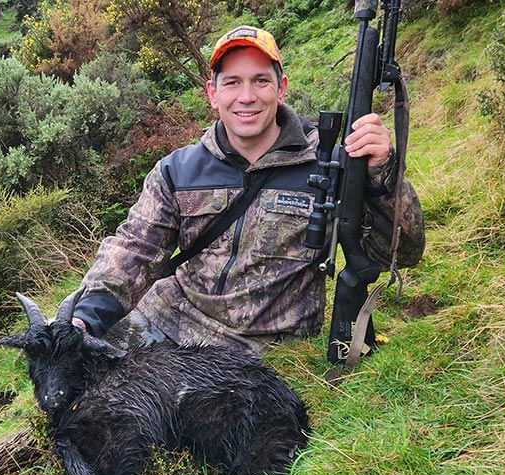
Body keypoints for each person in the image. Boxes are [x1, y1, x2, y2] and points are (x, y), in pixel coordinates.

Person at [71, 25, 424, 355]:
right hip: (169, 321)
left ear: (281, 87)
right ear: (213, 93)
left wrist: (381, 172)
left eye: (260, 81)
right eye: (232, 83)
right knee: (81, 366)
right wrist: (84, 318)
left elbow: (403, 252)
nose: (246, 97)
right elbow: (134, 248)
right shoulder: (177, 170)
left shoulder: (332, 162)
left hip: (264, 346)